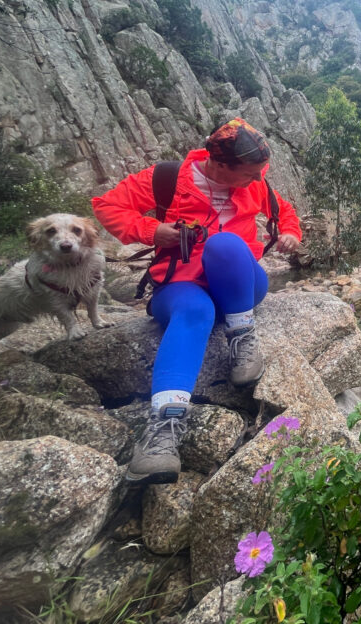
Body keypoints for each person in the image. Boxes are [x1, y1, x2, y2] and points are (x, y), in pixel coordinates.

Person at [92, 118, 302, 484]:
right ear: (220, 165)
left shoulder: (256, 181)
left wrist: (289, 232)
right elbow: (108, 206)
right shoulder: (168, 179)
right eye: (250, 174)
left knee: (224, 244)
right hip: (180, 284)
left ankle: (242, 336)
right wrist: (151, 230)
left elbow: (284, 211)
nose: (257, 180)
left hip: (240, 284)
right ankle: (163, 433)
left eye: (259, 173)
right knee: (194, 311)